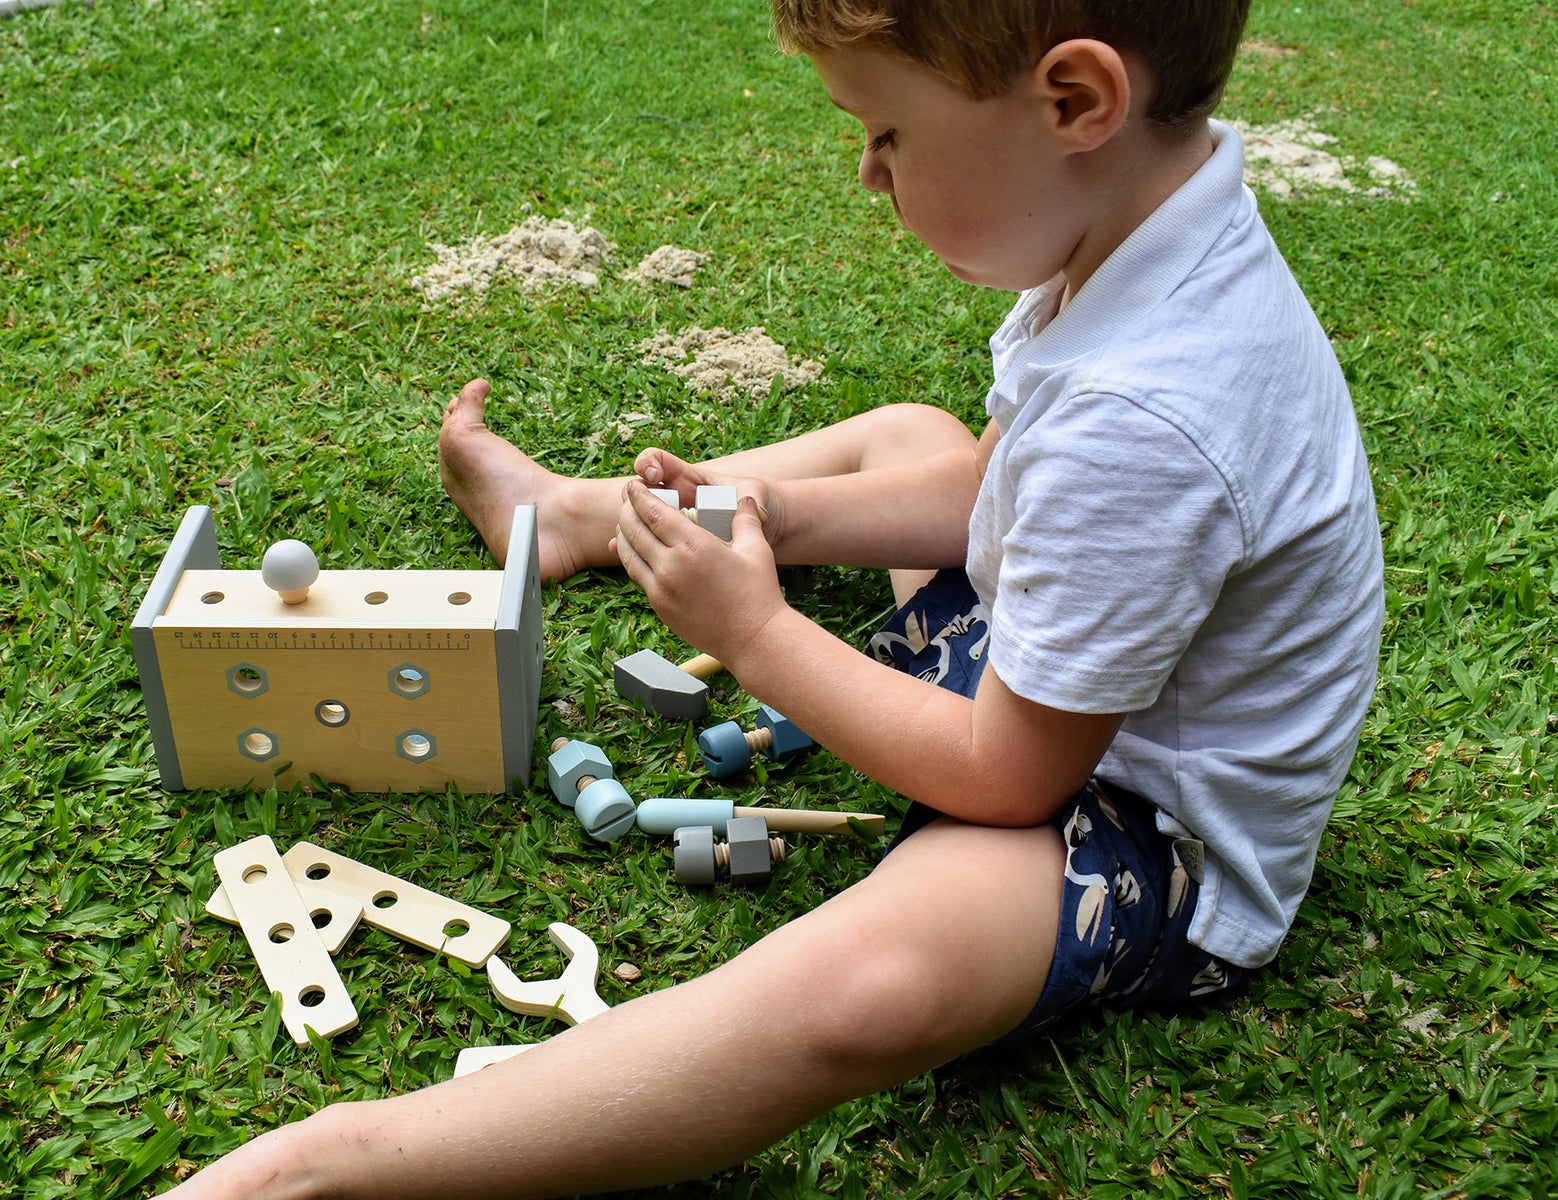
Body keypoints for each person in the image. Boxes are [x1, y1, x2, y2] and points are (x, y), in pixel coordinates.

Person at [163, 0, 1384, 1195]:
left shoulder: (1147, 419)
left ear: (1074, 100)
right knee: (913, 439)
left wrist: (751, 630)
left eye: (888, 132)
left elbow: (1009, 779)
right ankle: (586, 520)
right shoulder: (1136, 233)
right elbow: (985, 487)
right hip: (1052, 686)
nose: (867, 173)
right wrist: (783, 519)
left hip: (1135, 829)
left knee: (881, 979)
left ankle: (336, 1166)